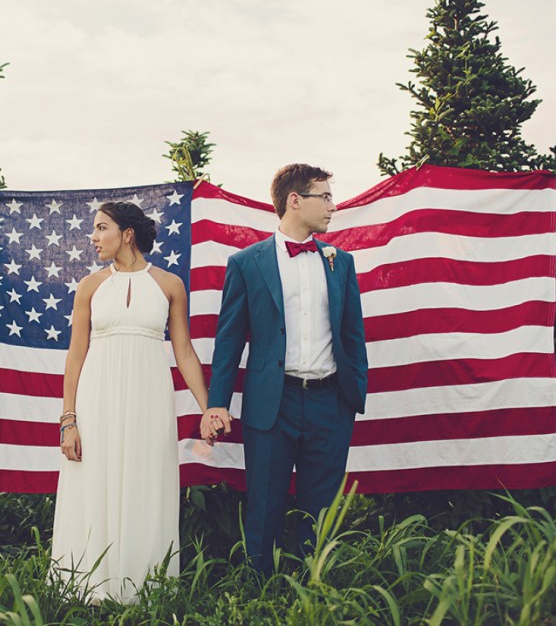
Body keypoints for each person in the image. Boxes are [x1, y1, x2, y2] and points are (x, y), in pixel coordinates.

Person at [200, 163, 368, 576]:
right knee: (264, 504)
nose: (333, 205)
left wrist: (353, 394)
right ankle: (260, 593)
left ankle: (316, 590)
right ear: (295, 201)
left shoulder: (339, 262)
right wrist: (216, 403)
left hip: (331, 402)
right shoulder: (246, 263)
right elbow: (229, 339)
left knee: (322, 507)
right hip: (272, 403)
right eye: (324, 196)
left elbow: (352, 334)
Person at [51, 200, 210, 603]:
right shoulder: (89, 286)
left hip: (149, 401)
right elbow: (75, 356)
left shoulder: (170, 285)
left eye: (101, 228)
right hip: (97, 400)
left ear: (127, 234)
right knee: (95, 481)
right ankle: (87, 588)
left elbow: (185, 352)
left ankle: (145, 589)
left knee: (146, 481)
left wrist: (208, 406)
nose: (93, 237)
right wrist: (69, 419)